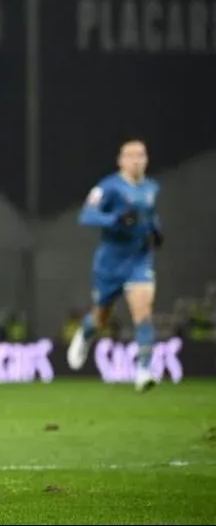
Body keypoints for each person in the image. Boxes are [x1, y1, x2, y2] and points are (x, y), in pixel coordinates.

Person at [67, 139, 164, 392]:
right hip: (110, 263)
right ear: (120, 160)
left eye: (141, 155)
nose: (136, 160)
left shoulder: (151, 188)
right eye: (130, 156)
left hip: (139, 260)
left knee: (143, 311)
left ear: (147, 159)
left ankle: (144, 370)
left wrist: (156, 229)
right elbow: (87, 215)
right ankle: (86, 332)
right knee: (101, 317)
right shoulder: (108, 187)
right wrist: (115, 219)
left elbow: (150, 215)